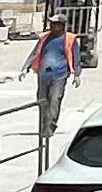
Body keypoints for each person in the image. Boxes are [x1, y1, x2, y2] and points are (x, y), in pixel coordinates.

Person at [32, 22, 76, 155]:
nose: (55, 27)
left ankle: (50, 126)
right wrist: (25, 68)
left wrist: (77, 74)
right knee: (42, 100)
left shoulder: (69, 39)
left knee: (55, 99)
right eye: (53, 24)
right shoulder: (44, 38)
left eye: (58, 25)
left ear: (63, 26)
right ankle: (43, 125)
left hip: (60, 75)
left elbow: (76, 57)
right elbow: (34, 54)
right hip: (43, 75)